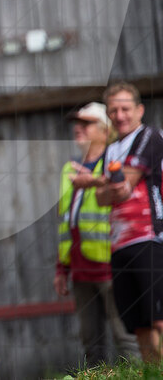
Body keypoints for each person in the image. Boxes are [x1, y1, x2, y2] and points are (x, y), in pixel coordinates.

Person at [55, 102, 139, 364]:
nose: (78, 129)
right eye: (76, 124)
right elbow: (66, 223)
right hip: (80, 271)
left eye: (87, 123)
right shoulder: (70, 170)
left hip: (112, 266)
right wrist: (62, 268)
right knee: (91, 344)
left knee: (127, 338)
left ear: (105, 131)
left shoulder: (116, 166)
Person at [94, 82, 163, 362]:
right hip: (119, 243)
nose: (119, 115)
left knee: (159, 317)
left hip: (150, 236)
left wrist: (97, 183)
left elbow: (121, 189)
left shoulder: (149, 136)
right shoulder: (111, 150)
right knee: (139, 324)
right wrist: (106, 186)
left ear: (139, 110)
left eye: (125, 108)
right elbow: (101, 198)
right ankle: (152, 373)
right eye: (113, 110)